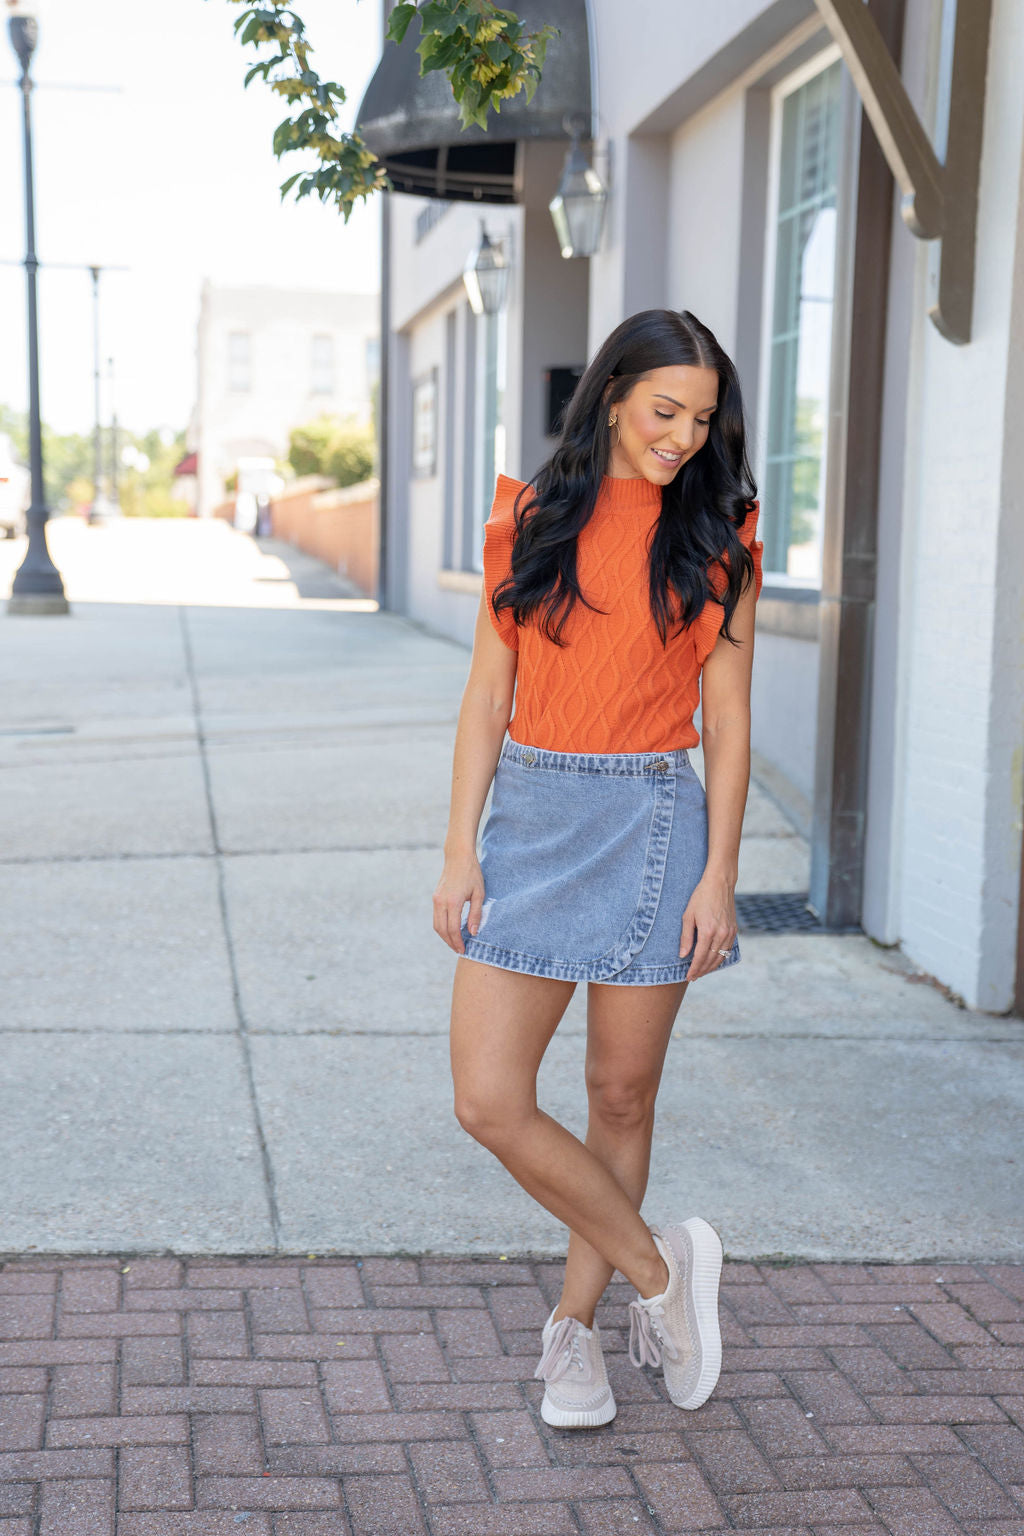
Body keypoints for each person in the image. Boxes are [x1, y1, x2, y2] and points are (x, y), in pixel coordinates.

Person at [433, 308, 764, 1429]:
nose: (681, 436)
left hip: (654, 822)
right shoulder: (525, 521)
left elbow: (727, 720)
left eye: (702, 419)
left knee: (619, 1093)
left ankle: (574, 1333)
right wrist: (456, 851)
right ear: (612, 395)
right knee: (488, 1097)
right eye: (663, 411)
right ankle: (662, 1275)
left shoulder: (721, 533)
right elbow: (486, 695)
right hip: (532, 816)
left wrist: (719, 873)